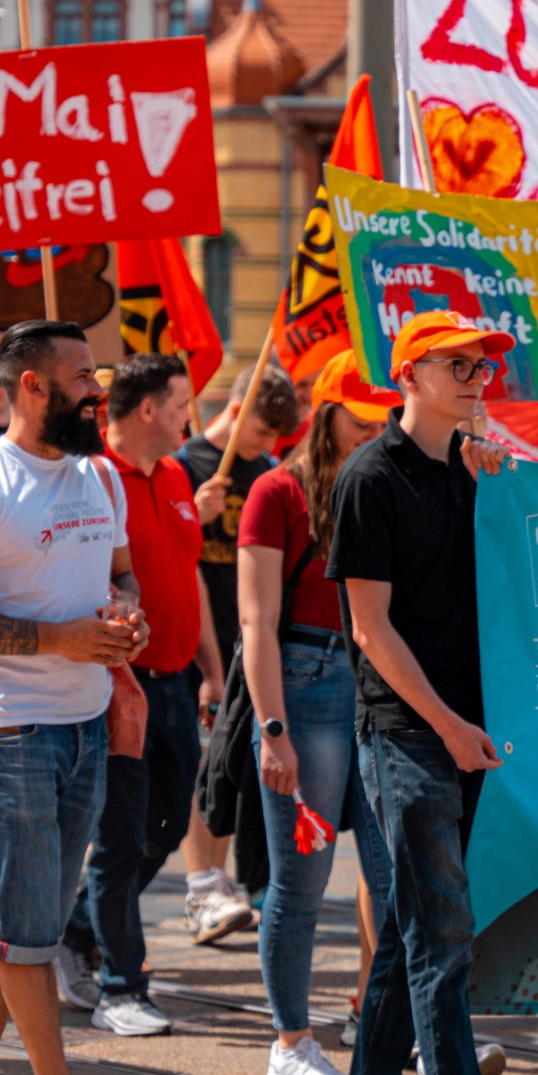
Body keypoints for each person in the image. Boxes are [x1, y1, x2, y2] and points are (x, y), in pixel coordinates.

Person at [0, 320, 151, 1075]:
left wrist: (129, 619)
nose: (99, 388)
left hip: (85, 720)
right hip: (8, 730)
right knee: (25, 924)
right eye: (83, 375)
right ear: (32, 386)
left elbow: (121, 577)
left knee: (24, 918)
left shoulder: (101, 478)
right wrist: (56, 639)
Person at [330, 311, 515, 1075]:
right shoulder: (371, 476)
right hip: (408, 730)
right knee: (443, 934)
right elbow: (371, 629)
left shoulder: (472, 476)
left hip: (464, 729)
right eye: (460, 365)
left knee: (415, 933)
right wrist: (444, 723)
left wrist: (502, 490)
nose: (478, 378)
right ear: (409, 372)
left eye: (483, 366)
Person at [238, 350, 397, 1075]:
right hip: (302, 686)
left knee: (396, 879)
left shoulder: (388, 484)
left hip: (376, 686)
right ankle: (290, 1042)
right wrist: (274, 730)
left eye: (382, 419)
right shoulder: (276, 492)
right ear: (325, 413)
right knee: (300, 883)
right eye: (358, 419)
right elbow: (256, 621)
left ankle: (397, 1031)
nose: (373, 432)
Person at [55, 354, 225, 1037]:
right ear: (149, 409)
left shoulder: (179, 473)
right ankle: (121, 986)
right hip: (121, 686)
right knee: (121, 837)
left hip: (178, 684)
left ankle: (74, 927)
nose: (192, 416)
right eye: (183, 402)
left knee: (167, 828)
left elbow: (190, 583)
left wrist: (213, 668)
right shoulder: (95, 476)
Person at [175, 365, 301, 941]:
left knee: (235, 768)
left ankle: (233, 882)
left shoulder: (272, 475)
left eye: (276, 437)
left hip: (252, 643)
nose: (266, 445)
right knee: (206, 767)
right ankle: (203, 886)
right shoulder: (185, 466)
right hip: (201, 641)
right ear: (236, 407)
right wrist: (192, 518)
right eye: (260, 432)